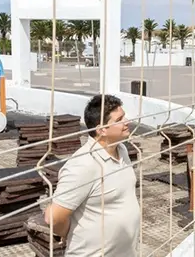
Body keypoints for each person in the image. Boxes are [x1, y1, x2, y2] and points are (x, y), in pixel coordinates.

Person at [44, 94, 140, 257]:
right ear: (101, 129)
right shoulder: (84, 164)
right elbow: (53, 217)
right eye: (119, 119)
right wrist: (72, 233)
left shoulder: (122, 150)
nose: (127, 122)